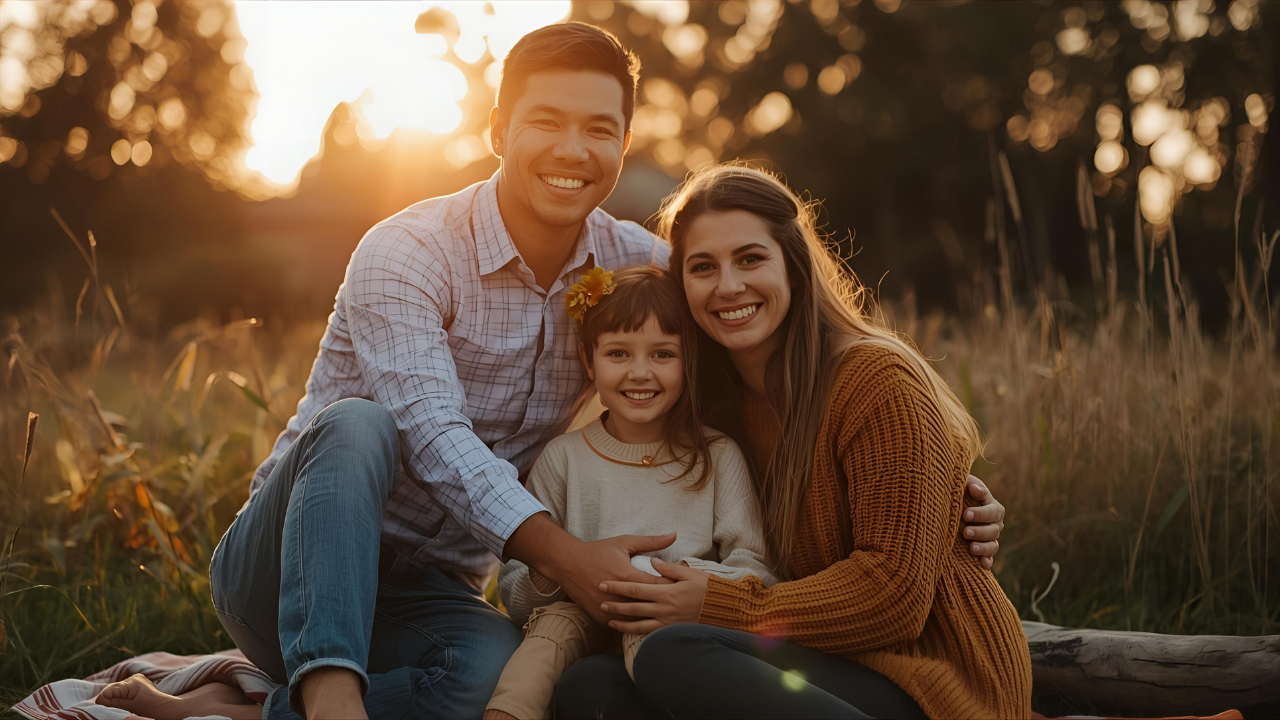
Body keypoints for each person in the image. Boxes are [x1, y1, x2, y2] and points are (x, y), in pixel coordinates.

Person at [99, 22, 1007, 720]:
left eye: (599, 129)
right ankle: (330, 699)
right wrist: (569, 561)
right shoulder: (406, 250)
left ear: (622, 143)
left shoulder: (634, 265)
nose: (574, 151)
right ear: (498, 128)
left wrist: (943, 489)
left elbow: (742, 365)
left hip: (431, 589)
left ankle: (244, 708)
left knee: (502, 685)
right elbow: (433, 433)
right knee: (361, 423)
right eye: (548, 122)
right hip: (294, 561)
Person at [557, 165, 1031, 720]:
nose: (728, 286)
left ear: (794, 264)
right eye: (703, 267)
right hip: (811, 657)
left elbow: (894, 598)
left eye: (750, 258)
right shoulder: (709, 402)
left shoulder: (877, 380)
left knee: (674, 652)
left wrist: (713, 604)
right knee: (589, 687)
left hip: (934, 682)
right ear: (681, 286)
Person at [484, 266, 778, 720]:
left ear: (690, 361)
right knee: (546, 641)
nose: (640, 373)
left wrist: (671, 577)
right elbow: (516, 595)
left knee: (662, 648)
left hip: (672, 617)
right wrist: (560, 573)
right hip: (578, 608)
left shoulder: (718, 456)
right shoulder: (563, 459)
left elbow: (755, 570)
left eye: (663, 354)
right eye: (619, 353)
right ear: (589, 361)